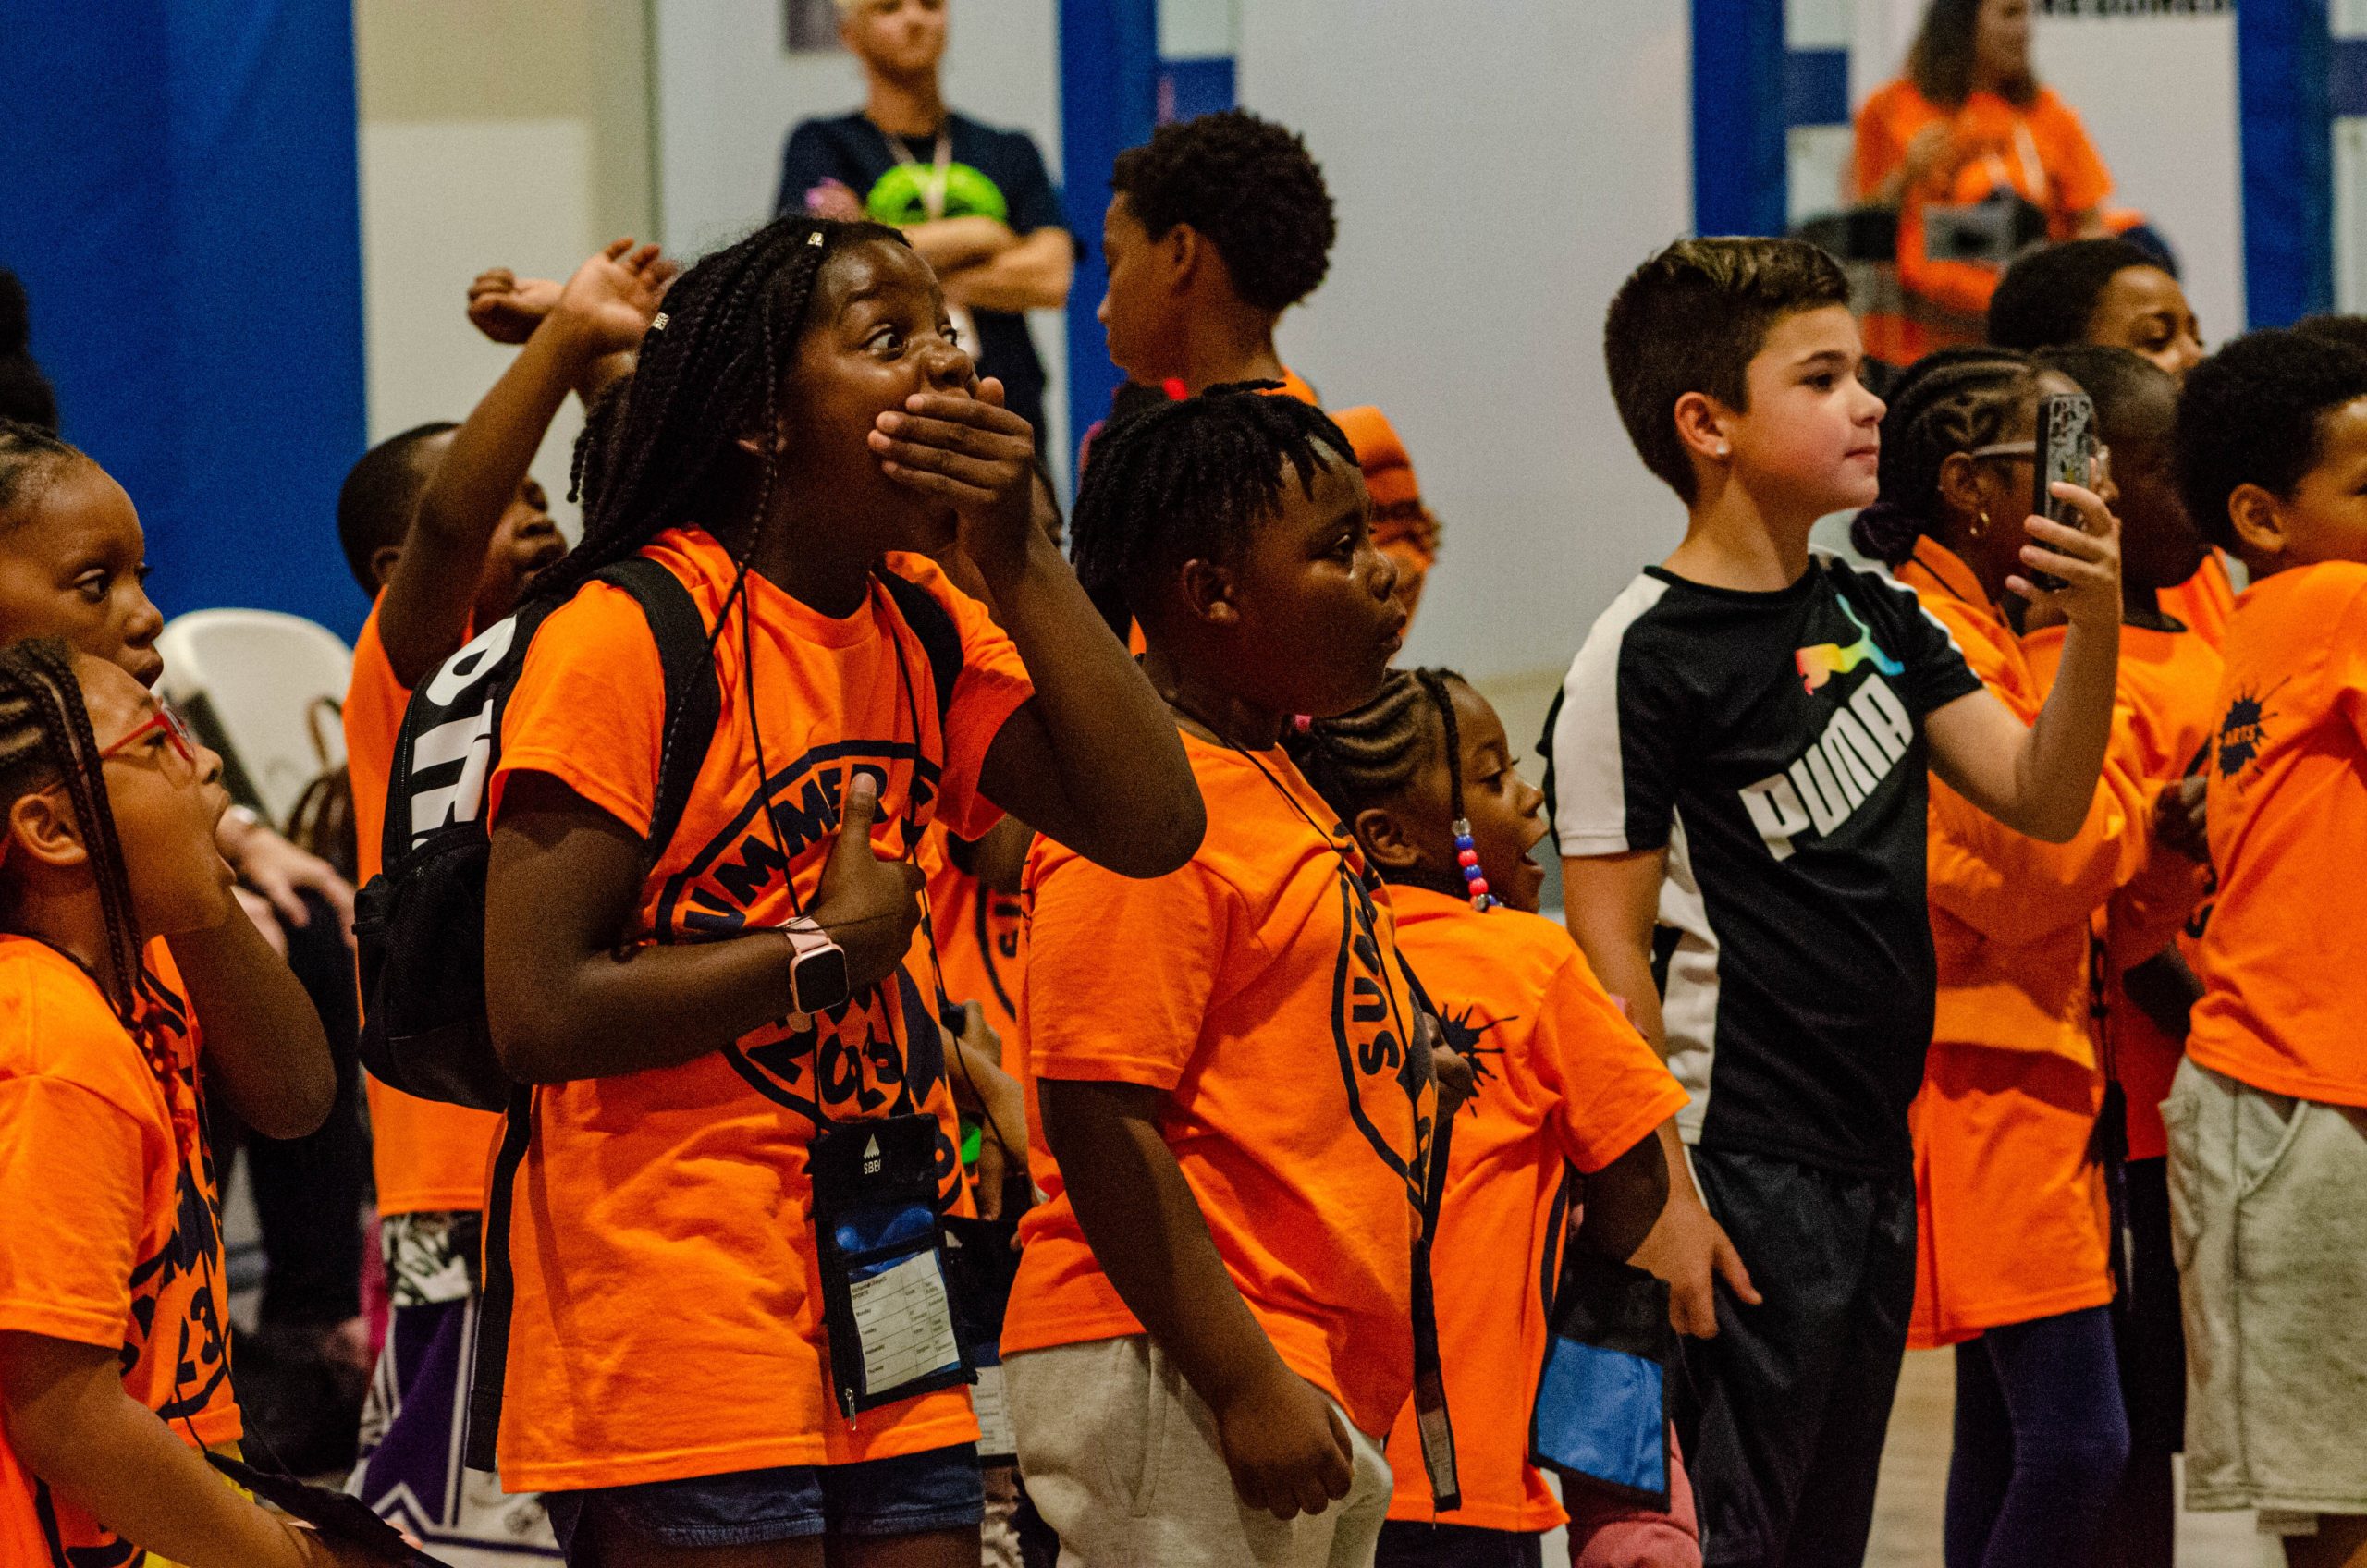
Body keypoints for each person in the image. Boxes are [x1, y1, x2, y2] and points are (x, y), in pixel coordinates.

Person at [474, 214, 1197, 1565]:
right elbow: (537, 1007)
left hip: (885, 1287)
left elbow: (1151, 822)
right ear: (762, 422)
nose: (945, 364)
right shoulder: (627, 631)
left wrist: (1021, 554)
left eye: (946, 332)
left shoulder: (924, 616)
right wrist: (823, 950)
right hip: (676, 1308)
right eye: (888, 340)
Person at [1546, 238, 2124, 1568]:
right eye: (1823, 377)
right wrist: (1658, 1199)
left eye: (1861, 369)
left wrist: (2088, 627)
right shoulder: (1635, 656)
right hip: (1731, 1166)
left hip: (1871, 1157)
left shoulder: (1874, 604)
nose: (1871, 402)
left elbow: (2040, 792)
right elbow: (1608, 966)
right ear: (1709, 425)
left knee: (1825, 1540)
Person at [1000, 388, 1419, 1567]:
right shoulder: (1148, 816)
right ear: (1211, 594)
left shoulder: (1270, 772)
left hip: (1283, 1351)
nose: (1382, 575)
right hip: (1173, 1353)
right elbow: (1093, 1110)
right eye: (1338, 550)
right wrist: (1240, 1377)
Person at [337, 238, 670, 1556]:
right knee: (450, 1525)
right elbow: (447, 528)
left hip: (576, 1160)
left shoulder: (586, 644)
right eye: (511, 502)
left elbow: (646, 503)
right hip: (451, 1173)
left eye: (552, 498)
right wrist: (558, 348)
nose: (537, 518)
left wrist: (608, 362)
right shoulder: (413, 669)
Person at [1852, 346, 2195, 1568]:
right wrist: (2135, 822)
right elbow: (2044, 872)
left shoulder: (1968, 621)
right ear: (1971, 488)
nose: (2094, 475)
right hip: (1985, 1075)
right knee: (2079, 1442)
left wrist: (2134, 838)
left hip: (2027, 1066)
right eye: (2065, 447)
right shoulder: (1923, 630)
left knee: (2007, 1435)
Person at [1283, 668, 1697, 1568]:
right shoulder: (1529, 960)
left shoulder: (1301, 959)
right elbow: (1637, 1175)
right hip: (1460, 1481)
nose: (1530, 796)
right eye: (1493, 777)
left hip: (1301, 1457)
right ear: (1389, 835)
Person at [0, 642, 379, 1568]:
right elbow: (65, 1411)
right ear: (53, 827)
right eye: (161, 742)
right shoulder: (55, 1048)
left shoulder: (105, 987)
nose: (209, 761)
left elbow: (298, 1089)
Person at [2167, 328, 2367, 1568]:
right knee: (2340, 1504)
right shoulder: (2340, 600)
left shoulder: (2270, 618)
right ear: (2263, 514)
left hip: (2296, 1094)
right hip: (2301, 1110)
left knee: (2334, 1503)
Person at [2027, 344, 2217, 1568]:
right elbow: (2100, 902)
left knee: (2161, 1424)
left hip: (2195, 1100)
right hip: (2127, 1111)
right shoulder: (2067, 674)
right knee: (2111, 1438)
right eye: (2173, 472)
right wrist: (2225, 1025)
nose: (2196, 501)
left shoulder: (2205, 646)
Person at [1090, 109, 1441, 618]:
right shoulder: (1138, 441)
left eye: (1112, 261)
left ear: (1180, 252)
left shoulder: (1355, 449)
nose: (1102, 306)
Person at [778, 0, 1072, 442]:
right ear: (849, 35)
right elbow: (827, 265)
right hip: (885, 415)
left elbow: (1050, 278)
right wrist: (984, 234)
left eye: (930, 5)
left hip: (1004, 403)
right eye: (888, 8)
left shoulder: (1010, 149)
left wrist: (886, 256)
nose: (914, 19)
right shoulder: (821, 145)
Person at [1852, 0, 2156, 350]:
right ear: (1961, 23)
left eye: (2028, 14)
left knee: (2144, 243)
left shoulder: (2048, 112)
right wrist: (1906, 176)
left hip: (2025, 342)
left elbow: (2090, 224)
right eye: (2010, 13)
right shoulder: (1890, 108)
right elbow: (1857, 234)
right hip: (1919, 347)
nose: (2025, 29)